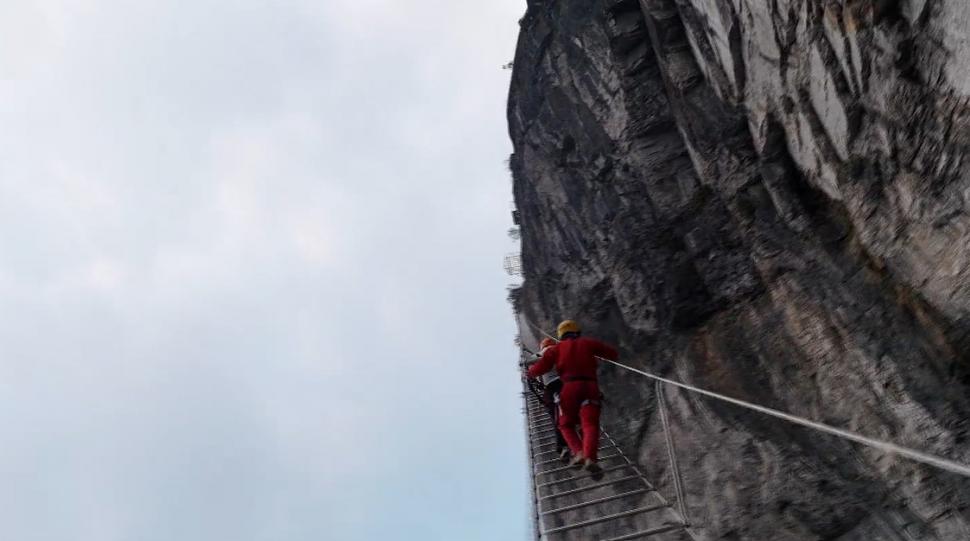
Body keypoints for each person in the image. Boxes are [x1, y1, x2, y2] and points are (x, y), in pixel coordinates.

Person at [527, 320, 617, 475]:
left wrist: (529, 373)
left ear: (561, 335)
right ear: (577, 332)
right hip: (590, 386)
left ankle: (578, 452)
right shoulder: (588, 343)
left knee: (565, 424)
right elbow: (612, 353)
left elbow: (540, 367)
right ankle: (590, 457)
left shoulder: (556, 349)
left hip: (569, 388)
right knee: (590, 424)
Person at [527, 337, 568, 460]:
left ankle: (562, 446)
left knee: (556, 415)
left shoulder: (543, 352)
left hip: (553, 386)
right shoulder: (561, 349)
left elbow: (533, 364)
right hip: (569, 381)